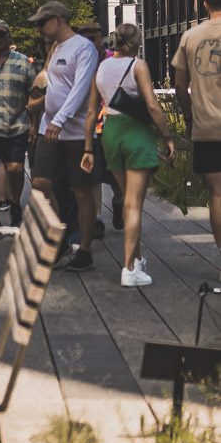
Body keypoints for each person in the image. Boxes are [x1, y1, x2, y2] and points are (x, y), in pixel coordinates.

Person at [82, 24, 175, 286]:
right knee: (134, 204)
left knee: (126, 202)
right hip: (134, 132)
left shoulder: (100, 67)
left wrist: (88, 148)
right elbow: (153, 106)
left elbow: (91, 112)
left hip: (110, 132)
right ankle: (130, 268)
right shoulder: (138, 65)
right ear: (136, 42)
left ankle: (137, 258)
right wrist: (168, 136)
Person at [28, 1, 99, 271]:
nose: (39, 30)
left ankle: (85, 249)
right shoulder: (56, 48)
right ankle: (59, 237)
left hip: (75, 131)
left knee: (82, 190)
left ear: (58, 20)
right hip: (50, 127)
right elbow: (48, 81)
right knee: (40, 182)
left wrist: (59, 119)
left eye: (42, 23)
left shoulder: (84, 48)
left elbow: (80, 89)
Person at [173, 0, 221, 268]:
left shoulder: (191, 37)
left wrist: (188, 116)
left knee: (217, 193)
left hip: (207, 126)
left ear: (205, 3)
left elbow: (180, 86)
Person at [0, 20, 36, 231]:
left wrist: (33, 123)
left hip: (16, 126)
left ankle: (15, 203)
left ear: (8, 37)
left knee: (15, 168)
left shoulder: (23, 63)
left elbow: (35, 94)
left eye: (1, 34)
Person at [76, 20, 124, 231]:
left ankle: (119, 201)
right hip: (89, 126)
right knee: (92, 175)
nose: (88, 41)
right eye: (84, 37)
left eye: (92, 37)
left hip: (112, 124)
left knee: (115, 174)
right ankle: (96, 218)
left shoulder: (114, 60)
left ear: (101, 37)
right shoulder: (78, 61)